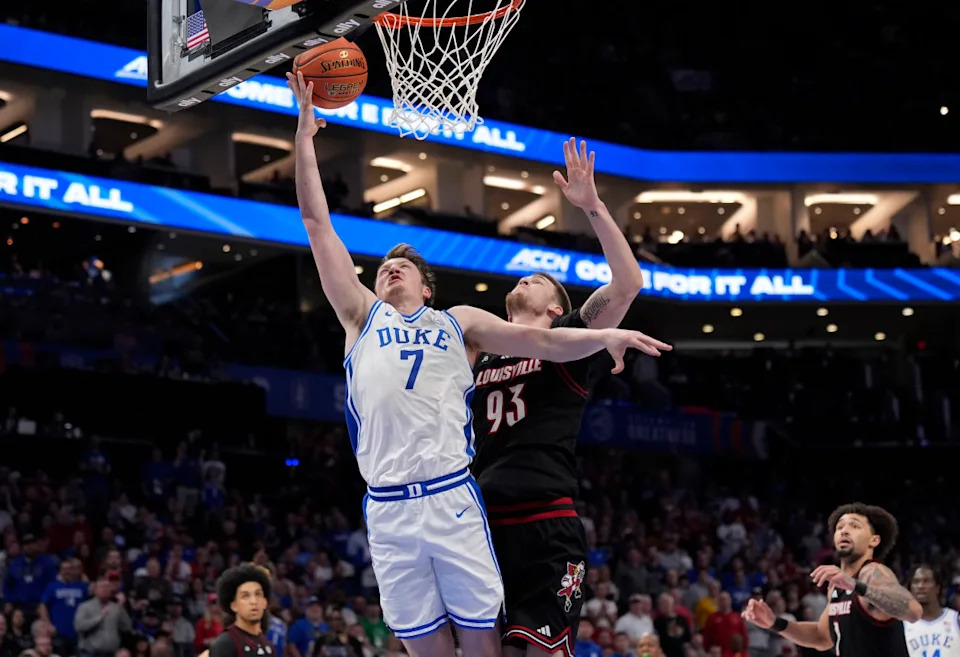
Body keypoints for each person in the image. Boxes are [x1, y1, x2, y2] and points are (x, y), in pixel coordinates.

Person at [285, 70, 671, 657]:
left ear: (428, 286)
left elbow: (555, 338)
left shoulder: (465, 325)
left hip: (473, 501)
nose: (390, 267)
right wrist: (305, 136)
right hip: (407, 503)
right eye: (383, 264)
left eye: (404, 264)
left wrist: (608, 331)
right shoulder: (364, 318)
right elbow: (316, 223)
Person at [468, 138, 648, 657]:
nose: (526, 278)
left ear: (556, 311)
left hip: (544, 519)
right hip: (481, 519)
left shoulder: (571, 342)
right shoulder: (476, 349)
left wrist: (592, 206)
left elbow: (628, 282)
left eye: (541, 281)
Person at [742, 502, 921, 656]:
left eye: (854, 526)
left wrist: (855, 585)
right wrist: (774, 623)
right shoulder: (837, 586)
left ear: (874, 540)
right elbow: (822, 637)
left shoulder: (873, 573)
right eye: (840, 527)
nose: (844, 531)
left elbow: (913, 611)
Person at [208, 565, 276, 657]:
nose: (254, 601)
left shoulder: (268, 646)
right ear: (233, 605)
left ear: (265, 602)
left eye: (258, 594)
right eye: (245, 596)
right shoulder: (224, 644)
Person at [904, 564, 960, 657]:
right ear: (910, 589)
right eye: (916, 582)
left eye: (926, 581)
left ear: (937, 587)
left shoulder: (956, 620)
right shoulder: (902, 625)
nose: (921, 586)